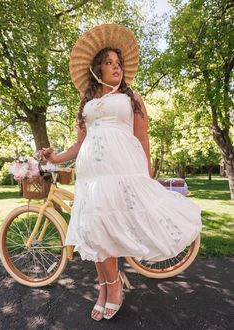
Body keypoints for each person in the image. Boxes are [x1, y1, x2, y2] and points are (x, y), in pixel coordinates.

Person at [40, 23, 202, 321]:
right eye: (109, 63)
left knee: (109, 226)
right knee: (95, 229)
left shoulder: (132, 98)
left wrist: (148, 174)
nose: (116, 67)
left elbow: (142, 138)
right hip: (90, 175)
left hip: (122, 170)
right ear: (96, 69)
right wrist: (55, 156)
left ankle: (114, 287)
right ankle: (104, 285)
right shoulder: (87, 103)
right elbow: (79, 143)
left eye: (119, 63)